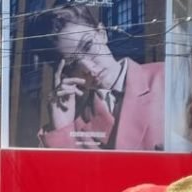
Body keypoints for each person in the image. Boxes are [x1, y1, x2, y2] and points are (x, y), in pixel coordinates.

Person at [29, 0, 164, 150]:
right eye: (73, 64)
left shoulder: (165, 79)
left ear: (102, 33)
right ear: (64, 73)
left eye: (87, 45)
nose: (88, 67)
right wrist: (62, 126)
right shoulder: (72, 125)